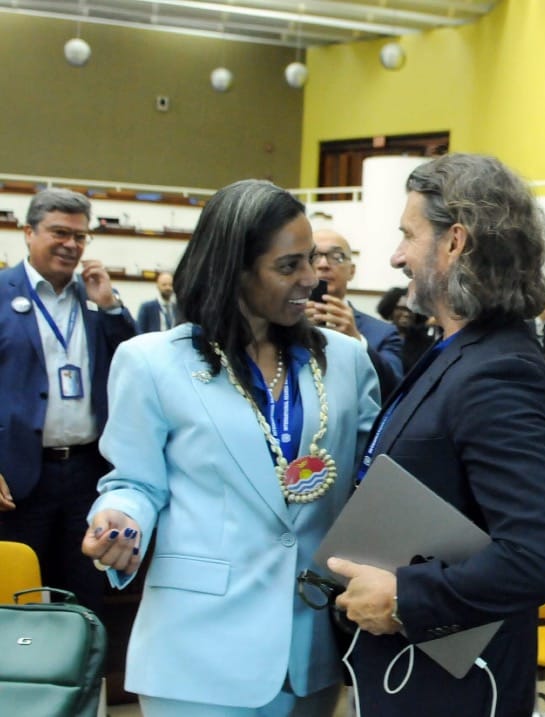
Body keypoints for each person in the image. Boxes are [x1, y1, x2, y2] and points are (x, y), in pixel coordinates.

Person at [81, 179, 381, 715]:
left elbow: (371, 484)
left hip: (309, 644)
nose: (311, 279)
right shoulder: (151, 362)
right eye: (289, 266)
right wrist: (118, 522)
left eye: (311, 260)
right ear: (233, 270)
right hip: (196, 648)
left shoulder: (346, 360)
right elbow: (134, 482)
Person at [326, 154, 545, 717]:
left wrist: (405, 598)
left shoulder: (498, 370)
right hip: (420, 669)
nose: (396, 256)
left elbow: (544, 556)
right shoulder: (458, 349)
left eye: (407, 236)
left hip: (457, 682)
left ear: (455, 242)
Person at [0, 188, 135, 615]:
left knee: (83, 595)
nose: (71, 244)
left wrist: (111, 306)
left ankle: (81, 678)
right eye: (59, 232)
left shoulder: (93, 299)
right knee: (15, 596)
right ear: (28, 233)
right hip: (18, 479)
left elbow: (131, 363)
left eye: (80, 236)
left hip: (86, 473)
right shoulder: (2, 293)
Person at [307, 227, 403, 398]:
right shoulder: (279, 324)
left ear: (352, 271)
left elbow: (397, 391)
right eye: (313, 257)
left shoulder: (383, 334)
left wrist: (358, 342)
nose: (323, 265)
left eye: (336, 257)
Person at [375, 286, 437, 374]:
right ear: (390, 310)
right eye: (401, 308)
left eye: (410, 310)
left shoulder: (425, 341)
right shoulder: (380, 336)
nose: (406, 314)